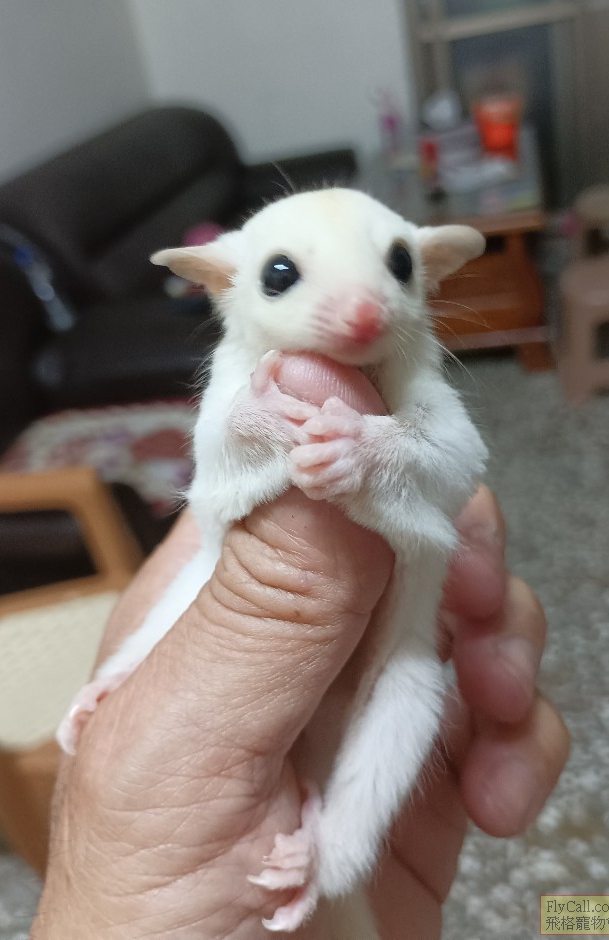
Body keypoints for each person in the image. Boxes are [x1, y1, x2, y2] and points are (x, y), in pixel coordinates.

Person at [31, 356, 569, 939]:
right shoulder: (245, 364)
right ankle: (130, 677)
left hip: (390, 653)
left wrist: (375, 448)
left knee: (408, 689)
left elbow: (461, 461)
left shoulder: (413, 373)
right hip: (271, 680)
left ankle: (333, 857)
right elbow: (214, 498)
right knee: (209, 568)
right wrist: (255, 423)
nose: (359, 316)